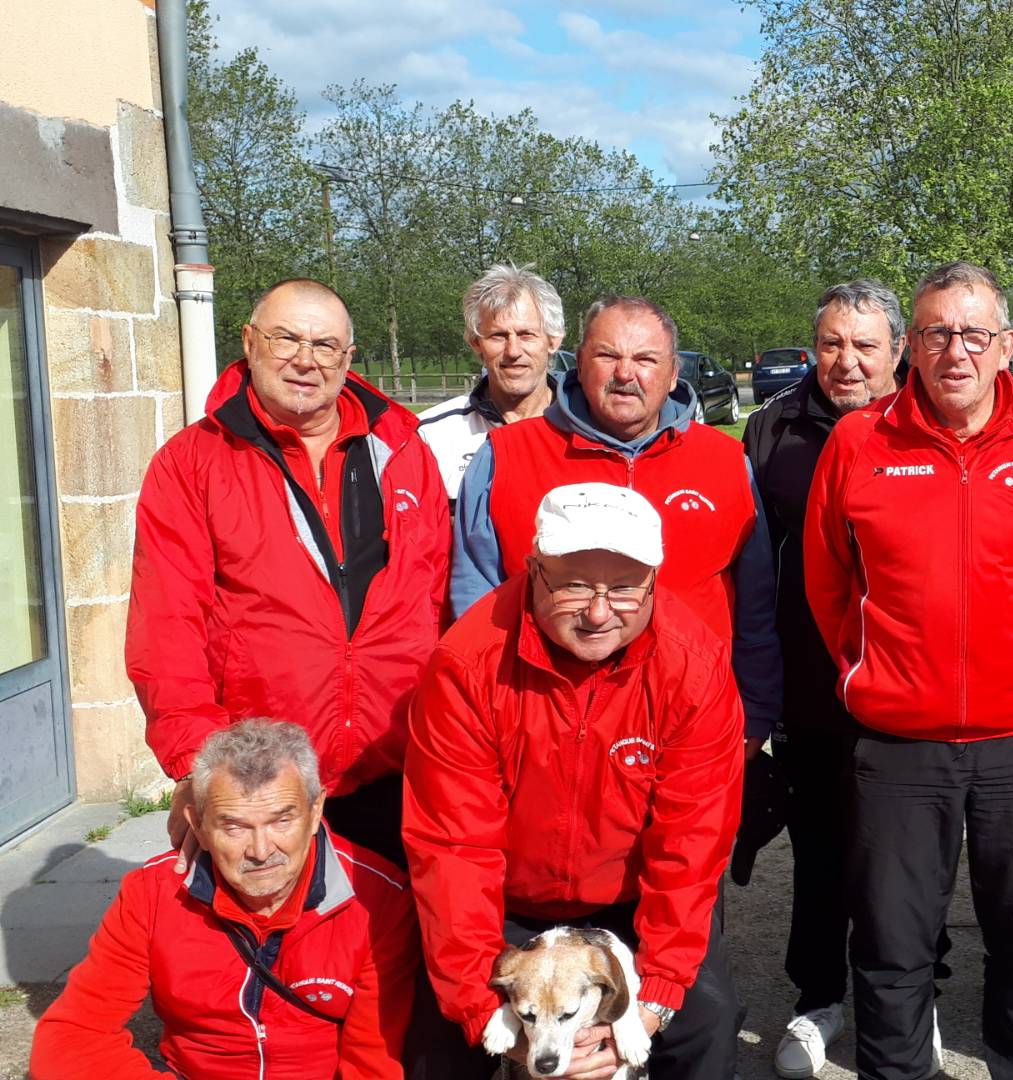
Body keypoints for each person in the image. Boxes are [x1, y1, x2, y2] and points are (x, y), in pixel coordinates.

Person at [805, 261, 1013, 1080]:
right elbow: (829, 582)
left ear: (1008, 347)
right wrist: (877, 671)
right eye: (936, 333)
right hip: (898, 743)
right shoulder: (860, 444)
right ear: (912, 349)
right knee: (893, 943)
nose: (955, 352)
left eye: (973, 334)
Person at [406, 482, 746, 1080]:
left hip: (632, 905)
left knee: (706, 1025)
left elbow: (693, 840)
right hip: (506, 905)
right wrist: (486, 1015)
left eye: (621, 588)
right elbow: (454, 847)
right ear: (534, 569)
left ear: (652, 581)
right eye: (574, 585)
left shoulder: (695, 663)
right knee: (439, 1042)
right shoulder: (467, 663)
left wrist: (656, 997)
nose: (597, 611)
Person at [126, 278, 451, 868]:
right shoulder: (193, 463)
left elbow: (434, 601)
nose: (305, 359)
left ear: (348, 359)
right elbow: (166, 631)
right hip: (261, 785)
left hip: (398, 768)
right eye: (286, 339)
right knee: (272, 953)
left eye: (325, 345)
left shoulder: (404, 452)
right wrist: (204, 768)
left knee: (393, 953)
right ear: (249, 342)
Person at [449, 294, 781, 747]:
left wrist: (754, 712)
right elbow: (475, 603)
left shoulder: (725, 461)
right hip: (541, 727)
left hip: (690, 726)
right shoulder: (505, 456)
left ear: (672, 373)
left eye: (646, 359)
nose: (626, 373)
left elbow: (756, 608)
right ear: (579, 363)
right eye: (608, 355)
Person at [31, 720, 417, 1080]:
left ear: (316, 812)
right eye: (234, 827)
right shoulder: (152, 893)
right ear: (197, 824)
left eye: (282, 821)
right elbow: (71, 1035)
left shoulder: (377, 897)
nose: (262, 851)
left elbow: (372, 1061)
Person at [743, 278, 906, 1078]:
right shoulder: (771, 432)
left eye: (865, 346)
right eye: (832, 344)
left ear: (896, 353)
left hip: (908, 690)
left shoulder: (921, 425)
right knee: (819, 849)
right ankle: (818, 998)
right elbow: (753, 579)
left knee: (906, 855)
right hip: (813, 690)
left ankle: (914, 994)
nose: (846, 362)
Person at [417, 264, 565, 500]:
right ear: (476, 343)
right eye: (498, 336)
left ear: (553, 341)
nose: (513, 350)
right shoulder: (429, 435)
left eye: (526, 334)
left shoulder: (588, 429)